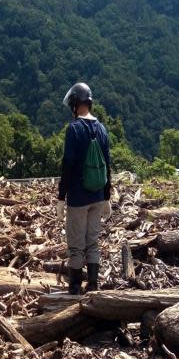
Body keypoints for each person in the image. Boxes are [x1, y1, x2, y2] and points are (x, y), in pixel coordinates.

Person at [56, 82, 112, 294]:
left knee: (76, 246)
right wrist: (107, 196)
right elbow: (108, 164)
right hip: (98, 195)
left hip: (78, 198)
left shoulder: (74, 129)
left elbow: (68, 165)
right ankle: (94, 285)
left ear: (74, 103)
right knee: (93, 242)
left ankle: (75, 287)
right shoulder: (102, 128)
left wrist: (62, 197)